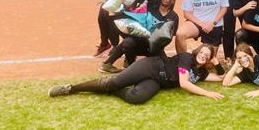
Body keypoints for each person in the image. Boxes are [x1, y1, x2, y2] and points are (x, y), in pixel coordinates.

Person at [49, 44, 226, 104]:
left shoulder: (201, 72)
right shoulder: (187, 58)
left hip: (158, 82)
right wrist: (207, 93)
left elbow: (221, 78)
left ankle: (111, 89)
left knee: (136, 98)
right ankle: (71, 88)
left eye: (207, 55)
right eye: (202, 52)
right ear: (197, 52)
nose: (203, 56)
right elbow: (184, 83)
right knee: (113, 82)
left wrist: (217, 62)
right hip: (151, 67)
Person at [99, 0, 180, 73]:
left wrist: (156, 44)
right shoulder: (151, 8)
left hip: (156, 49)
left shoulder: (173, 17)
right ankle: (130, 67)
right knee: (128, 42)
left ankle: (108, 64)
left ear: (173, 1)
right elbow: (137, 12)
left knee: (165, 69)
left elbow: (170, 37)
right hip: (141, 43)